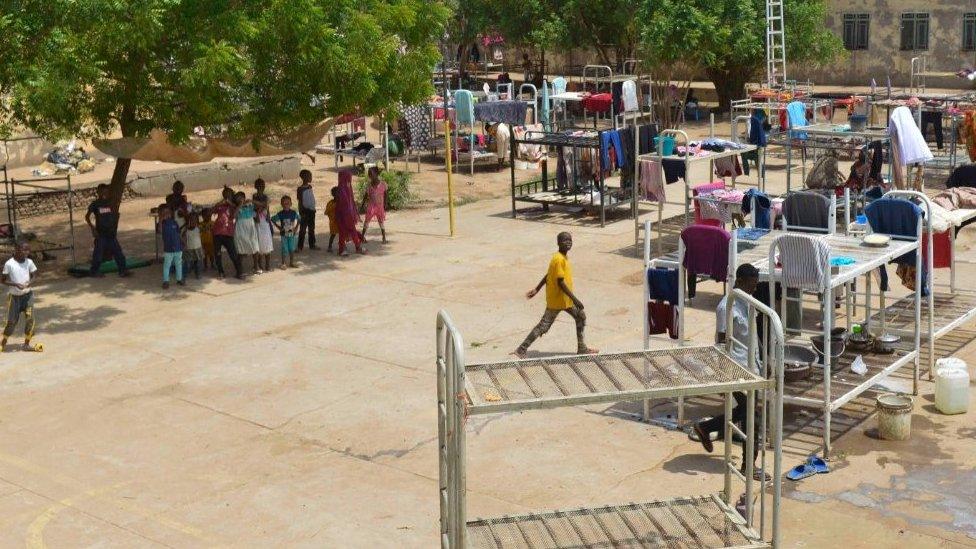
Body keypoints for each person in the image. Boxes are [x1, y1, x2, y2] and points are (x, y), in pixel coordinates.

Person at [692, 263, 767, 480]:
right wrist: (724, 375)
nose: (754, 290)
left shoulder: (748, 302)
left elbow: (752, 334)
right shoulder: (727, 307)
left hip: (751, 365)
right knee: (752, 416)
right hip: (733, 367)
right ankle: (748, 466)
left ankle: (705, 427)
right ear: (740, 282)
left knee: (747, 412)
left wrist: (763, 358)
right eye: (751, 286)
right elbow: (723, 342)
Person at [515, 232, 597, 358]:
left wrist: (537, 289)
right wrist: (575, 300)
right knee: (544, 326)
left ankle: (582, 347)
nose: (568, 242)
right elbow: (560, 282)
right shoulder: (558, 259)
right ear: (558, 243)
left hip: (565, 300)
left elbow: (549, 275)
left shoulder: (561, 257)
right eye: (564, 240)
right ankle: (521, 349)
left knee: (580, 316)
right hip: (557, 300)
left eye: (570, 240)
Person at [1, 242, 40, 352]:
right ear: (17, 249)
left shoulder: (29, 262)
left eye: (28, 250)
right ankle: (3, 342)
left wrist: (30, 282)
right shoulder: (9, 264)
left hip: (28, 296)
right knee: (12, 322)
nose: (27, 252)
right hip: (14, 298)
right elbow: (3, 280)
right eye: (24, 250)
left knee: (30, 320)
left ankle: (26, 344)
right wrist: (15, 284)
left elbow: (35, 275)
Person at [86, 184, 130, 278]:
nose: (104, 194)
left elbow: (114, 216)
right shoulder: (95, 204)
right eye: (102, 192)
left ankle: (122, 270)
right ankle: (94, 271)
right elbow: (87, 217)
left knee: (118, 252)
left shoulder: (110, 203)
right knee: (98, 254)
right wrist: (93, 228)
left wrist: (114, 227)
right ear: (98, 193)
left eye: (106, 192)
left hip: (110, 233)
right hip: (101, 234)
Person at [210, 187, 243, 279]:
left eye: (229, 195)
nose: (226, 197)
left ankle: (239, 272)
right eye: (225, 195)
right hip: (217, 233)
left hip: (228, 234)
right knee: (217, 254)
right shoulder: (221, 206)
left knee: (233, 254)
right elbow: (211, 211)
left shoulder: (234, 206)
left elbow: (233, 216)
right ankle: (221, 272)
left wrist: (231, 204)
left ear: (232, 196)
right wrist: (219, 203)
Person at [335, 171, 364, 256]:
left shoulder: (347, 187)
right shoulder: (341, 189)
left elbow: (350, 202)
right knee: (343, 232)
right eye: (348, 179)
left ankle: (353, 247)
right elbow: (343, 204)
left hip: (348, 214)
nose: (349, 181)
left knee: (350, 231)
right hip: (343, 214)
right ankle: (344, 249)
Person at [232, 191, 260, 274]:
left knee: (255, 248)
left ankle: (256, 266)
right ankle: (240, 269)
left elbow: (260, 205)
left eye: (241, 197)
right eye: (237, 198)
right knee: (241, 250)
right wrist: (240, 206)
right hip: (241, 230)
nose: (240, 199)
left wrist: (252, 201)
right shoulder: (236, 208)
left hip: (250, 229)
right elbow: (234, 215)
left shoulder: (249, 206)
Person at [159, 205, 184, 289]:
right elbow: (160, 231)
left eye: (168, 212)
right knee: (167, 265)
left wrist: (182, 242)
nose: (167, 214)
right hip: (168, 249)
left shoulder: (174, 222)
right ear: (161, 215)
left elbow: (178, 234)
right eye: (164, 213)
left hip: (177, 247)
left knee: (178, 264)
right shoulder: (162, 224)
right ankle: (166, 281)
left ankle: (179, 279)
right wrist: (161, 220)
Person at [272, 195, 301, 268]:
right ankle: (283, 263)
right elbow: (272, 219)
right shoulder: (280, 214)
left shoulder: (293, 213)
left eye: (288, 203)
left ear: (291, 204)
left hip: (291, 234)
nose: (286, 205)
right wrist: (279, 227)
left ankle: (292, 262)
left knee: (291, 248)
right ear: (281, 205)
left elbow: (299, 219)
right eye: (284, 204)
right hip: (284, 234)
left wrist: (296, 228)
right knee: (284, 249)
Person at [360, 167, 388, 243]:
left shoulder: (383, 184)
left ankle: (384, 238)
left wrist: (385, 203)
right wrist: (362, 205)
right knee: (367, 221)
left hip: (380, 207)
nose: (370, 176)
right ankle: (362, 237)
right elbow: (366, 196)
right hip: (371, 206)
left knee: (381, 221)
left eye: (371, 174)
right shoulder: (369, 185)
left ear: (377, 174)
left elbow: (385, 194)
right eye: (369, 174)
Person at [296, 169, 318, 251]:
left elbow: (311, 198)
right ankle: (299, 246)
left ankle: (312, 244)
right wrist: (302, 211)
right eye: (309, 176)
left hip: (311, 211)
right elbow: (300, 201)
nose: (311, 177)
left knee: (311, 229)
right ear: (304, 177)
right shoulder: (300, 189)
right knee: (302, 230)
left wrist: (313, 208)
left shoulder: (309, 187)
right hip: (304, 212)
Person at [183, 211, 204, 279]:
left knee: (198, 262)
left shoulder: (198, 228)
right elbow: (183, 237)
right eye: (191, 220)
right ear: (188, 221)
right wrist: (185, 245)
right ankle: (185, 273)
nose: (193, 222)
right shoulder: (186, 230)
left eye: (195, 220)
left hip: (198, 248)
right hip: (189, 248)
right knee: (187, 262)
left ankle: (198, 273)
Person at [255, 200, 274, 273]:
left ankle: (267, 265)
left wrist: (267, 210)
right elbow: (257, 221)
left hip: (266, 232)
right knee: (260, 250)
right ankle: (260, 265)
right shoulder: (254, 213)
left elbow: (268, 219)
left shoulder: (265, 211)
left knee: (268, 249)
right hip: (259, 232)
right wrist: (258, 211)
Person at [325, 187, 339, 252]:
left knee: (341, 234)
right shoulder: (331, 203)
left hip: (340, 221)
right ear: (333, 194)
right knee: (333, 234)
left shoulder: (341, 202)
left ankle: (342, 245)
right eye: (337, 193)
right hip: (333, 221)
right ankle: (329, 246)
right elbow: (327, 212)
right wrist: (331, 218)